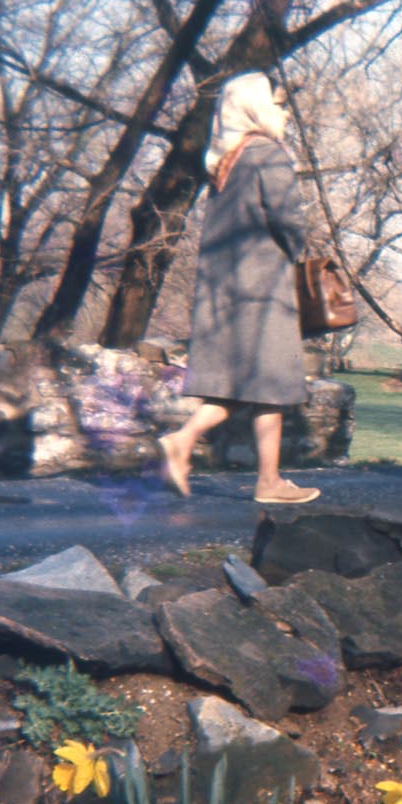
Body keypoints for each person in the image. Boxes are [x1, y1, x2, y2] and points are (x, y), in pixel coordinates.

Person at [156, 72, 322, 504]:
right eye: (275, 102)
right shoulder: (268, 153)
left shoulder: (225, 163)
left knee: (251, 387)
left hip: (225, 292)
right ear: (256, 106)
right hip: (264, 290)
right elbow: (288, 221)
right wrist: (296, 248)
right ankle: (266, 482)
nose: (282, 110)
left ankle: (186, 443)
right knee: (272, 382)